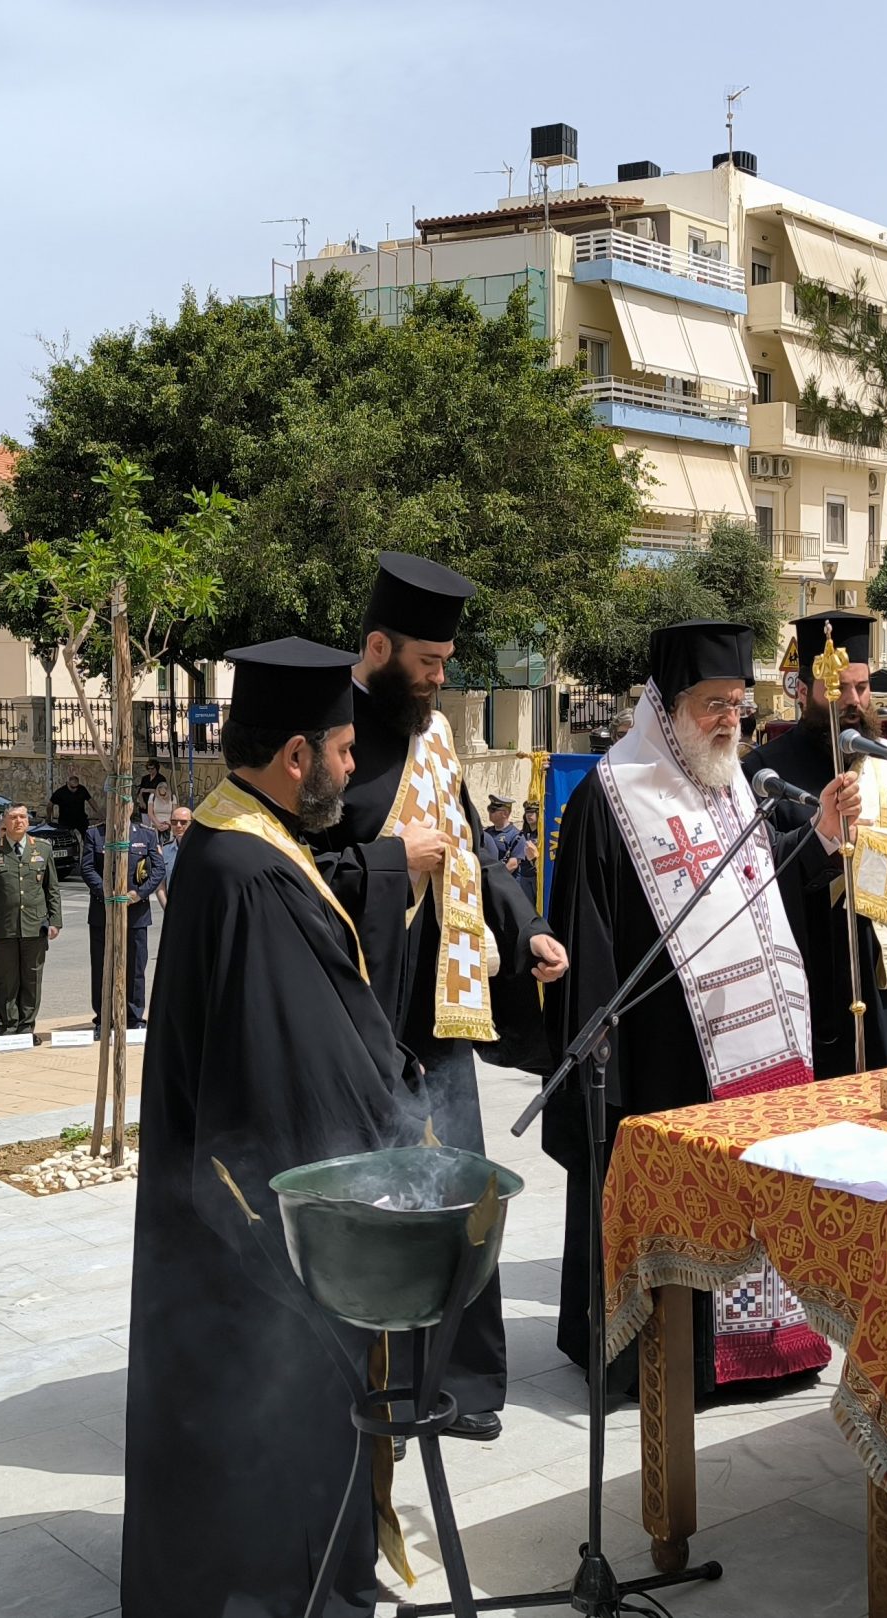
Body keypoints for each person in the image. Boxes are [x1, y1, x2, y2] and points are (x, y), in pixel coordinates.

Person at [121, 638, 421, 1618]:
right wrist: (390, 1129)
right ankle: (283, 1581)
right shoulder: (250, 870)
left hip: (215, 1190)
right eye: (343, 750)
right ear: (296, 756)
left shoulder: (235, 837)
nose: (352, 767)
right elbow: (296, 1061)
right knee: (267, 1405)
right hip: (256, 1213)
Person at [540, 621, 847, 1394]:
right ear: (668, 704)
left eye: (738, 704)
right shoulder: (613, 794)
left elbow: (762, 893)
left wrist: (820, 836)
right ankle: (676, 1359)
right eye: (713, 704)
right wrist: (601, 1057)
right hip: (664, 1055)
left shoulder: (733, 783)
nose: (728, 721)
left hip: (761, 1052)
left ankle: (771, 1352)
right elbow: (589, 933)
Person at [310, 552, 565, 1440]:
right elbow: (302, 873)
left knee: (458, 1194)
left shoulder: (437, 738)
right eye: (427, 663)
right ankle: (372, 1380)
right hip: (364, 1013)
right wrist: (392, 862)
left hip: (442, 1011)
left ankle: (462, 1382)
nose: (438, 679)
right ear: (379, 648)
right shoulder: (327, 738)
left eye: (446, 664)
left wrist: (527, 927)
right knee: (375, 1199)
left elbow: (473, 853)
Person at [748, 612, 887, 1077]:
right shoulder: (765, 774)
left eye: (862, 688)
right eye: (838, 688)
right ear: (804, 690)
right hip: (817, 985)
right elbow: (758, 877)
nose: (852, 701)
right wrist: (821, 838)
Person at [0, 805, 61, 1037]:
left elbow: (52, 888)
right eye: (13, 817)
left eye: (22, 817)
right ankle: (8, 1026)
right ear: (5, 821)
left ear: (28, 821)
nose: (18, 821)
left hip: (34, 926)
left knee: (32, 979)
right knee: (6, 980)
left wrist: (55, 920)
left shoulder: (43, 848)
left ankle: (26, 1027)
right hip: (3, 927)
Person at [84, 810, 165, 1034]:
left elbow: (158, 868)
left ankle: (134, 1018)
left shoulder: (146, 835)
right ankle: (103, 1019)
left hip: (136, 912)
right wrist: (106, 892)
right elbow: (87, 868)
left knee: (136, 967)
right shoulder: (95, 834)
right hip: (103, 912)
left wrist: (139, 894)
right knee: (102, 967)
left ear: (130, 808)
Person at [480, 794, 535, 898]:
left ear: (505, 813)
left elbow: (513, 864)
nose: (489, 813)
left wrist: (494, 879)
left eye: (493, 810)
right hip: (488, 884)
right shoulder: (487, 832)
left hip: (506, 887)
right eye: (489, 809)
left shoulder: (516, 836)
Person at [48, 772, 94, 850]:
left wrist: (99, 813)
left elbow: (91, 801)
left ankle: (86, 854)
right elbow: (50, 805)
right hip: (66, 821)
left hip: (80, 820)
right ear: (67, 784)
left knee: (87, 840)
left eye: (76, 787)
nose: (75, 789)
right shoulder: (61, 792)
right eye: (72, 787)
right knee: (64, 840)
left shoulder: (82, 789)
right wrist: (49, 817)